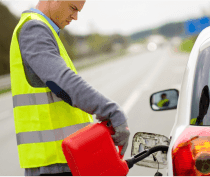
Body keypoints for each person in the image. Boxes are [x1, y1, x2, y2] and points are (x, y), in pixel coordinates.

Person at [9, 0, 130, 176]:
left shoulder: (44, 29)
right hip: (53, 163)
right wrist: (111, 110)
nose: (75, 17)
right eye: (73, 8)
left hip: (63, 159)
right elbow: (60, 82)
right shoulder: (34, 30)